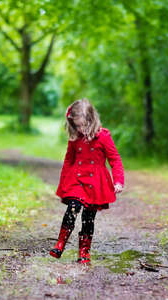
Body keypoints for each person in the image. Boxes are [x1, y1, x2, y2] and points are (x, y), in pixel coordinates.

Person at [49, 98, 125, 264]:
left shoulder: (103, 137)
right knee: (73, 207)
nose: (81, 129)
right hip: (77, 180)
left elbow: (115, 160)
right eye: (77, 126)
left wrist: (118, 180)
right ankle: (60, 243)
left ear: (92, 120)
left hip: (95, 184)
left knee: (88, 217)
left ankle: (84, 252)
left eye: (83, 125)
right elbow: (68, 160)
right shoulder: (75, 138)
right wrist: (64, 182)